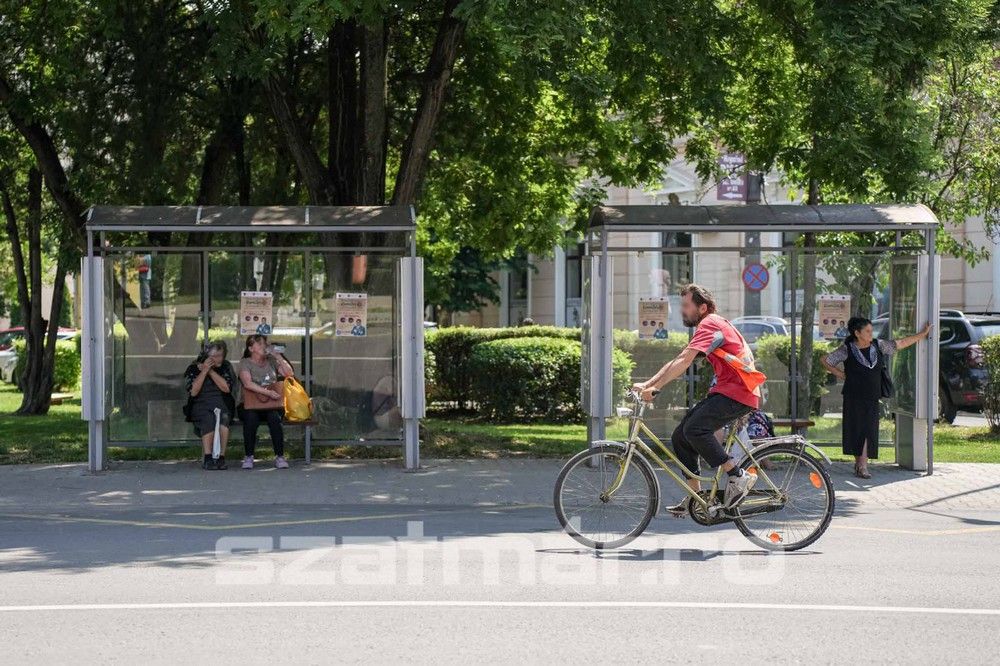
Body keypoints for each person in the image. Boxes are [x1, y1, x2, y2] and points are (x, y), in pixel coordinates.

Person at [632, 284, 761, 517]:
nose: (682, 310)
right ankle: (697, 498)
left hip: (738, 391)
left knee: (695, 429)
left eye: (686, 306)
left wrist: (655, 387)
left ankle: (737, 475)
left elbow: (684, 361)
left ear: (702, 307)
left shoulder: (710, 323)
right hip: (729, 391)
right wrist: (648, 384)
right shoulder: (710, 325)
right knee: (681, 436)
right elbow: (681, 358)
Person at [822, 316, 931, 479]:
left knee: (868, 430)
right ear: (857, 333)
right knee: (856, 430)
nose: (871, 333)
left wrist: (922, 334)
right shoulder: (848, 349)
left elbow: (900, 344)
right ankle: (859, 463)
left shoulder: (878, 345)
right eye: (867, 331)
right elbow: (825, 360)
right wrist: (841, 374)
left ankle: (862, 465)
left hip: (872, 396)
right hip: (853, 395)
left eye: (871, 330)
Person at [238, 334, 295, 470]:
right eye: (260, 344)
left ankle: (280, 456)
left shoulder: (271, 360)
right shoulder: (245, 363)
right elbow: (247, 384)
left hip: (272, 404)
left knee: (274, 418)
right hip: (251, 404)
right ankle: (249, 456)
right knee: (251, 418)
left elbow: (289, 374)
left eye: (265, 343)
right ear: (251, 348)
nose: (264, 346)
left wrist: (278, 356)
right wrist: (268, 392)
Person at [183, 341, 236, 470]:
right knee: (208, 418)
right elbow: (194, 391)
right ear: (206, 356)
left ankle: (220, 457)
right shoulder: (194, 368)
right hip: (200, 405)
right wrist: (204, 371)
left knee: (223, 418)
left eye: (220, 355)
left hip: (222, 403)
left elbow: (226, 388)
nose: (218, 359)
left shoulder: (226, 367)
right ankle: (208, 457)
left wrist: (211, 372)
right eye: (214, 356)